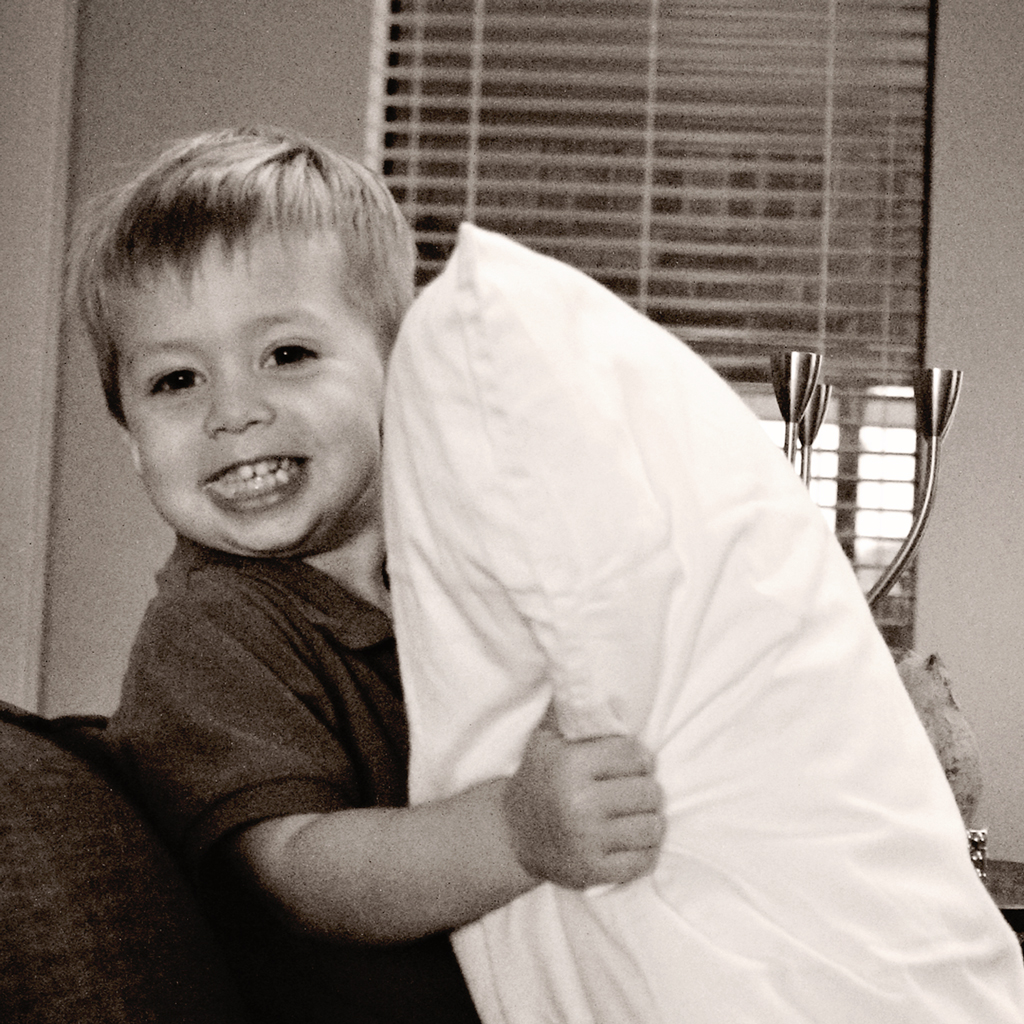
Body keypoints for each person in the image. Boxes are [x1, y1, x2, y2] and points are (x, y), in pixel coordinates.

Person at [64, 125, 666, 1024]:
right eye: (176, 380)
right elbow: (298, 872)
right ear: (131, 446)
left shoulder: (470, 562)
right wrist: (513, 832)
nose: (235, 411)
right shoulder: (210, 634)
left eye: (288, 355)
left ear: (398, 373)